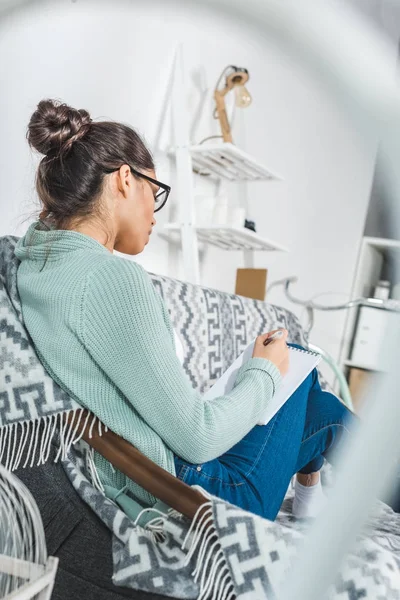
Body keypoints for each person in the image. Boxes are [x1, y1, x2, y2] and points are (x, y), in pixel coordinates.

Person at [15, 99, 352, 522]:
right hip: (186, 493)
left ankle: (309, 499)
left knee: (323, 410)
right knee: (296, 368)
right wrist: (263, 372)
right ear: (124, 180)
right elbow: (199, 437)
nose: (155, 216)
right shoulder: (112, 279)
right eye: (154, 194)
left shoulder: (38, 265)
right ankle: (311, 495)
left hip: (140, 472)